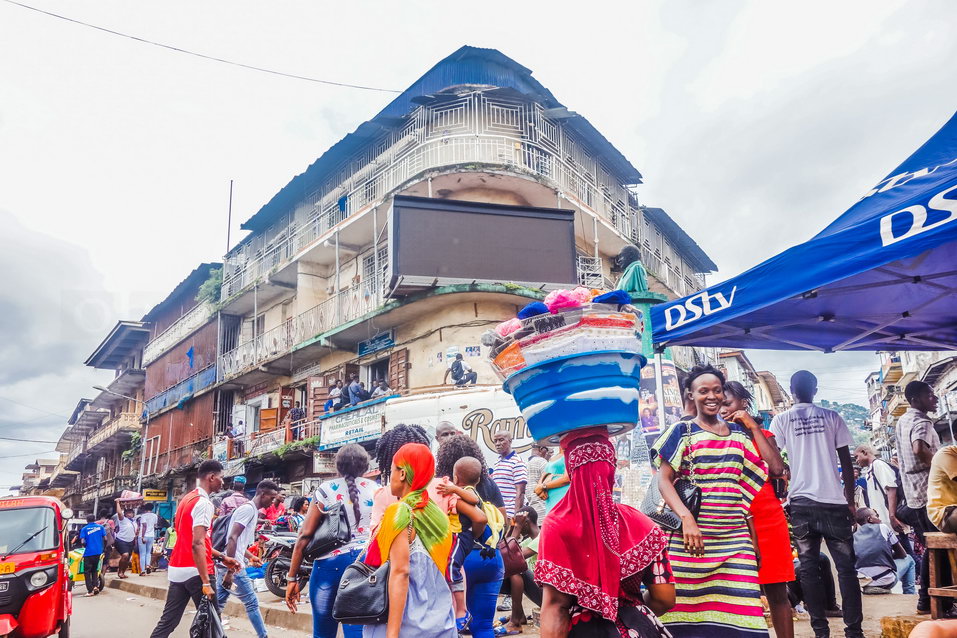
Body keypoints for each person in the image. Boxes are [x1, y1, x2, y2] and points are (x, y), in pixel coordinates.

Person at [652, 365, 768, 637]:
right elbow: (663, 480)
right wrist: (686, 518)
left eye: (717, 390)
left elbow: (773, 468)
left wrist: (751, 424)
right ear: (691, 395)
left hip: (735, 542)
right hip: (691, 543)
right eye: (703, 391)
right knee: (686, 621)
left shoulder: (740, 435)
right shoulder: (681, 431)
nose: (711, 396)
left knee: (748, 620)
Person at [539, 426, 675, 638]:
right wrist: (632, 615)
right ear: (612, 469)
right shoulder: (643, 524)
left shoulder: (556, 526)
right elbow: (664, 598)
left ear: (571, 470)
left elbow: (555, 608)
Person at [770, 370, 862, 638]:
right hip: (834, 503)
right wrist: (850, 500)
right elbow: (847, 461)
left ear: (792, 389)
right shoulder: (832, 417)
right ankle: (854, 632)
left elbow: (776, 459)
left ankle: (820, 632)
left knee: (809, 569)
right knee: (847, 570)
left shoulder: (782, 420)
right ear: (816, 389)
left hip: (801, 504)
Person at [721, 380, 794, 638]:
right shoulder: (715, 435)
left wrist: (752, 426)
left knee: (776, 592)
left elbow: (776, 469)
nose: (722, 408)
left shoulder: (763, 435)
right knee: (738, 593)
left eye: (727, 402)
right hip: (730, 518)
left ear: (743, 403)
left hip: (767, 517)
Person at [362, 442, 456, 638]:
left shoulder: (400, 512)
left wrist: (392, 634)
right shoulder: (437, 516)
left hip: (406, 624)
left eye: (392, 471)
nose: (391, 478)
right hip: (440, 620)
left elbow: (400, 573)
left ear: (402, 474)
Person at [285, 444, 378, 638]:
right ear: (366, 466)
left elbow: (304, 535)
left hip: (329, 567)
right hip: (365, 565)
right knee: (358, 631)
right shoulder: (377, 489)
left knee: (323, 632)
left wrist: (292, 577)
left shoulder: (325, 490)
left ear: (338, 465)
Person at [150, 460, 240, 638]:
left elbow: (195, 541)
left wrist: (222, 557)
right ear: (212, 477)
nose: (223, 482)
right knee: (213, 624)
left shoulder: (186, 499)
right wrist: (206, 582)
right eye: (221, 478)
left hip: (177, 569)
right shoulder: (204, 504)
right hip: (197, 571)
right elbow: (197, 543)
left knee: (168, 621)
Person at [435, 435, 507, 638]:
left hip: (458, 561)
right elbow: (504, 520)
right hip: (491, 559)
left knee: (450, 626)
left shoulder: (443, 486)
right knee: (483, 626)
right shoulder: (489, 484)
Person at [897, 380, 942, 614]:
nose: (934, 399)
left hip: (915, 494)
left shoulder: (903, 420)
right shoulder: (921, 420)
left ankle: (929, 601)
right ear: (915, 399)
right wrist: (942, 467)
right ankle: (928, 601)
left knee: (930, 549)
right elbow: (919, 449)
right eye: (930, 395)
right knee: (937, 550)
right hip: (928, 494)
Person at [217, 479, 279, 638]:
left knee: (218, 604)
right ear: (262, 494)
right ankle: (263, 636)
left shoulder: (250, 510)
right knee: (251, 602)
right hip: (233, 565)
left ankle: (209, 631)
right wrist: (231, 571)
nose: (272, 502)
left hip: (228, 562)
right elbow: (232, 538)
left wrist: (251, 557)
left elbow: (239, 542)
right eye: (271, 498)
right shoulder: (248, 510)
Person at [435, 456, 489, 632]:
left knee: (451, 567)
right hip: (459, 537)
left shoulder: (466, 491)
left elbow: (473, 500)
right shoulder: (462, 491)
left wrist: (453, 488)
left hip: (461, 536)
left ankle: (462, 610)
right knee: (450, 566)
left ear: (456, 477)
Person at [853, 507, 915, 594]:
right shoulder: (883, 528)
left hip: (864, 582)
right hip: (885, 580)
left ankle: (871, 587)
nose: (879, 517)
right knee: (909, 560)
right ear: (870, 519)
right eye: (876, 515)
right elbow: (902, 554)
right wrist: (885, 556)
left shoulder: (854, 536)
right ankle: (910, 594)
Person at [503, 506, 542, 633]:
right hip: (540, 592)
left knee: (516, 569)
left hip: (548, 595)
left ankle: (516, 621)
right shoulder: (526, 543)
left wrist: (517, 529)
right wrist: (512, 529)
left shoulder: (542, 538)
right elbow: (503, 554)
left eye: (518, 522)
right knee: (510, 567)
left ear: (526, 521)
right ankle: (520, 616)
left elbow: (511, 557)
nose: (516, 525)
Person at [854, 445, 904, 531]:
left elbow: (891, 489)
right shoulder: (870, 471)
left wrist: (892, 516)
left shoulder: (879, 464)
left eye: (856, 457)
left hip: (891, 522)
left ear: (864, 452)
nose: (856, 460)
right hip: (884, 524)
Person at [490, 430, 527, 517]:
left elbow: (520, 492)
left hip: (510, 514)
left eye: (501, 440)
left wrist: (516, 516)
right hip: (500, 513)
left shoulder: (517, 462)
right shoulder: (497, 462)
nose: (497, 444)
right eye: (495, 441)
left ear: (510, 441)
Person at [534, 448, 569, 515]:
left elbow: (567, 479)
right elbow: (544, 474)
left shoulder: (570, 452)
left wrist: (543, 486)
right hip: (549, 498)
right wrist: (539, 488)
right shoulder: (553, 457)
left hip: (563, 495)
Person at [78, 514, 106, 596]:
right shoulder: (101, 527)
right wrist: (102, 548)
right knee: (94, 570)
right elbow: (105, 539)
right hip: (98, 552)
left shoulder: (84, 529)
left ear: (87, 520)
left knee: (87, 572)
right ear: (95, 519)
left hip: (88, 553)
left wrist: (86, 546)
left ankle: (90, 591)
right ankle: (95, 587)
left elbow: (83, 541)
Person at [525, 443, 550, 519]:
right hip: (543, 508)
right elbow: (550, 482)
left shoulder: (526, 464)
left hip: (532, 509)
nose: (548, 454)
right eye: (547, 450)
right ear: (541, 449)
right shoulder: (542, 462)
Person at [137, 503, 159, 576]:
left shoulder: (143, 516)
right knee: (148, 552)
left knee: (142, 554)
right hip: (151, 535)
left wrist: (143, 537)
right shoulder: (155, 516)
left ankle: (143, 571)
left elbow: (144, 526)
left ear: (145, 509)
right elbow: (155, 525)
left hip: (143, 536)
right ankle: (148, 565)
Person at [115, 508, 136, 579]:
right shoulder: (123, 520)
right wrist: (117, 503)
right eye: (128, 513)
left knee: (128, 558)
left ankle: (123, 572)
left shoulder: (134, 522)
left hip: (131, 541)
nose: (129, 514)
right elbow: (119, 513)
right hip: (121, 540)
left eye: (131, 513)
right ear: (125, 514)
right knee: (125, 555)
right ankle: (120, 571)